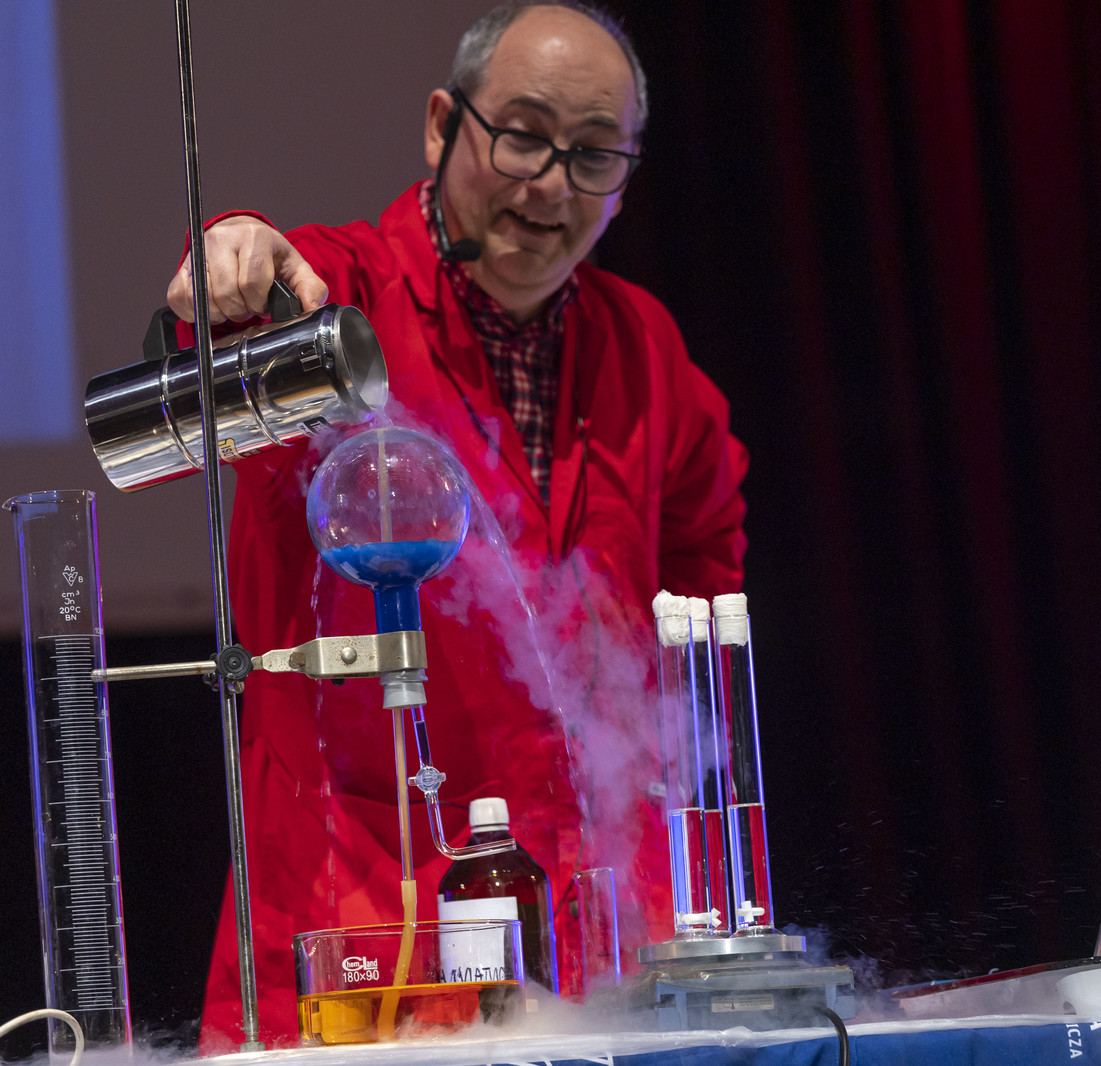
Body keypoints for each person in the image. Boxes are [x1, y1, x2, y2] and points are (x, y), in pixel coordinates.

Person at [165, 1, 748, 1049]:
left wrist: (660, 760)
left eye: (593, 154)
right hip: (360, 932)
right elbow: (231, 334)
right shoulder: (344, 294)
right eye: (522, 136)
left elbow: (706, 572)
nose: (550, 186)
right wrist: (231, 264)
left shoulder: (643, 346)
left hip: (593, 935)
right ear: (443, 127)